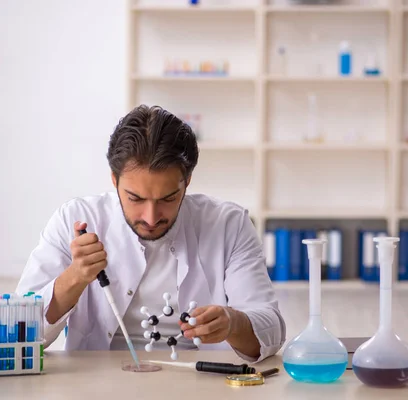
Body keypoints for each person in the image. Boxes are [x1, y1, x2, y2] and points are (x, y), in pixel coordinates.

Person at [16, 104, 286, 362]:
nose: (151, 217)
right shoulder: (74, 220)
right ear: (114, 180)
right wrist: (74, 278)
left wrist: (233, 324)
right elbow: (21, 332)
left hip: (202, 382)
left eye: (168, 198)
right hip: (98, 381)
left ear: (187, 181)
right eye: (135, 198)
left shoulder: (229, 224)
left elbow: (272, 330)